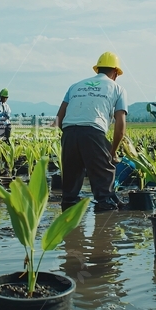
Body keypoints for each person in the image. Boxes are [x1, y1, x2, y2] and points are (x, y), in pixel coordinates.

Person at [55, 51, 128, 212]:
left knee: (70, 189)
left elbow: (58, 120)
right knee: (104, 188)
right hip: (93, 132)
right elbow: (120, 127)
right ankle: (104, 232)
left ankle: (69, 230)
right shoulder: (117, 89)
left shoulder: (75, 86)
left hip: (68, 133)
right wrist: (112, 151)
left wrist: (73, 137)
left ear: (97, 69)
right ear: (115, 72)